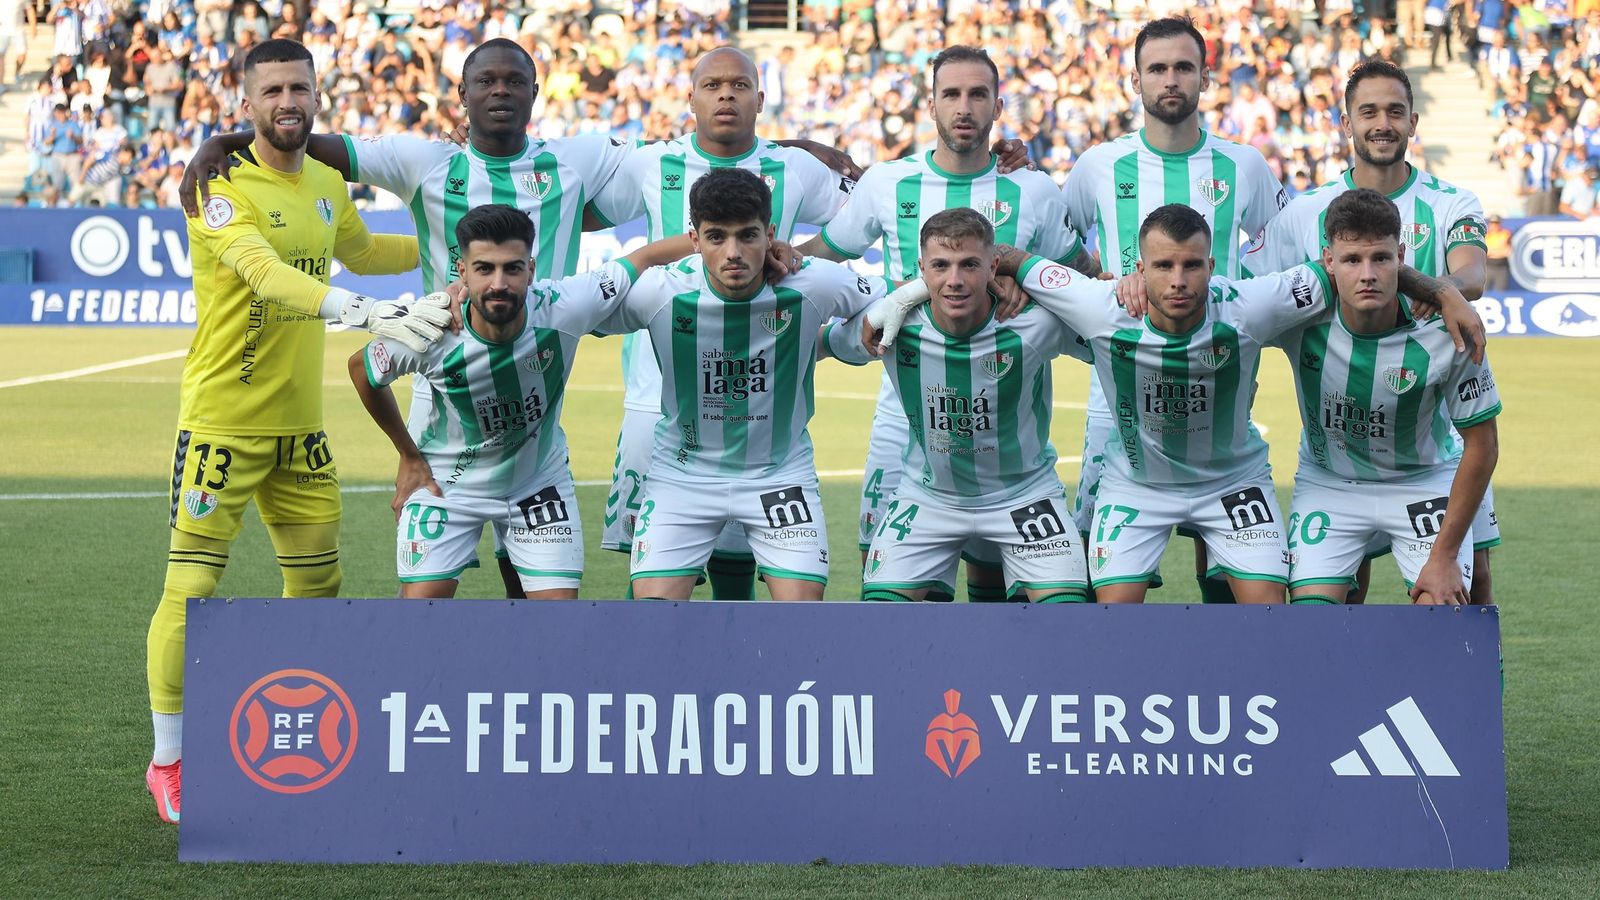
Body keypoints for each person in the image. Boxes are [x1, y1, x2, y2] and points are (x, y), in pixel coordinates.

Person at [878, 203, 1484, 605]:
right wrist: (927, 289)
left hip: (1233, 482)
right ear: (1139, 269)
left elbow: (1356, 268)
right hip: (1136, 485)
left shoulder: (1254, 304)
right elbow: (1006, 257)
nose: (1177, 280)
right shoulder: (1100, 305)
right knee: (1112, 619)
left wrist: (1441, 291)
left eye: (1191, 265)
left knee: (1272, 614)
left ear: (1211, 265)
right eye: (1162, 266)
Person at [144, 38, 450, 826]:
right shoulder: (217, 184)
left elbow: (364, 249)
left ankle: (293, 734)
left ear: (317, 96)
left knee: (318, 585)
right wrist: (364, 311)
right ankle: (169, 761)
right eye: (273, 88)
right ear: (244, 102)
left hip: (300, 434)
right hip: (222, 428)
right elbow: (263, 273)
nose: (289, 101)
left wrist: (465, 253)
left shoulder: (324, 180)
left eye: (300, 88)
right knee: (191, 589)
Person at [797, 45, 1094, 603]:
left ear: (998, 105)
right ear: (930, 106)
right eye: (951, 94)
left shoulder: (1031, 190)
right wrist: (776, 259)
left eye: (977, 94)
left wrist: (1023, 278)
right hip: (904, 416)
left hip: (1005, 413)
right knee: (886, 577)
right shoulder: (887, 183)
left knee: (992, 576)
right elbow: (824, 255)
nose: (964, 107)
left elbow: (1079, 278)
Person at [588, 47, 859, 601]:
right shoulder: (651, 162)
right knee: (659, 559)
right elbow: (574, 209)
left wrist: (796, 255)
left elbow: (871, 210)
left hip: (764, 386)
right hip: (657, 393)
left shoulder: (797, 167)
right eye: (712, 85)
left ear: (761, 98)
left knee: (741, 546)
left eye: (740, 85)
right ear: (690, 98)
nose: (726, 95)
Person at [1250, 59, 1501, 605]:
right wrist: (1435, 291)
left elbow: (1474, 273)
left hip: (1437, 433)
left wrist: (1449, 291)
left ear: (1413, 122)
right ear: (1346, 122)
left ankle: (1474, 688)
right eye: (1368, 111)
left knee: (1472, 579)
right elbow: (1255, 286)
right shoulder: (1306, 212)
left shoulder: (1450, 201)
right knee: (1346, 586)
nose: (1382, 122)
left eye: (1395, 111)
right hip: (1340, 439)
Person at [349, 204, 689, 598]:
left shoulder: (564, 305)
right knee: (420, 619)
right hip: (447, 485)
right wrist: (408, 455)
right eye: (484, 269)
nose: (499, 283)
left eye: (511, 268)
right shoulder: (434, 329)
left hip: (537, 484)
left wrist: (756, 247)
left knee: (555, 628)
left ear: (530, 269)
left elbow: (644, 257)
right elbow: (362, 369)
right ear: (462, 272)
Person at [1062, 16, 1288, 604]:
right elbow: (1058, 251)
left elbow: (1278, 256)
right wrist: (1103, 281)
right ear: (1135, 81)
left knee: (1226, 559)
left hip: (1217, 377)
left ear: (1205, 77)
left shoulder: (1245, 166)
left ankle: (1224, 693)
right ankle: (1101, 690)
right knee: (1095, 556)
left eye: (1183, 67)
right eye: (1157, 69)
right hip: (1118, 390)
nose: (1171, 79)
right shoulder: (1098, 167)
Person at [607, 167, 889, 601]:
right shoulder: (659, 292)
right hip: (683, 477)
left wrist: (837, 340)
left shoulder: (812, 282)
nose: (733, 252)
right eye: (717, 237)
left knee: (800, 621)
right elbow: (565, 309)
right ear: (695, 239)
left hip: (780, 475)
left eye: (748, 236)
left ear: (771, 234)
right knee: (653, 618)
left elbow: (899, 294)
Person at [824, 208, 1093, 603]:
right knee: (881, 625)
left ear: (994, 266)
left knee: (1067, 619)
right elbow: (814, 341)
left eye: (969, 264)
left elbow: (1113, 336)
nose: (954, 281)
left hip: (1024, 495)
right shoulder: (890, 324)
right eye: (940, 266)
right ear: (922, 270)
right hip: (928, 499)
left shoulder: (1036, 323)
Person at [1274, 189, 1500, 605]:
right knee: (1311, 623)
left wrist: (1445, 554)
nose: (1367, 274)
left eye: (1380, 258)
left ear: (1401, 256)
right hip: (1330, 483)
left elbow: (1483, 445)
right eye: (1351, 260)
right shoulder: (1298, 317)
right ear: (1328, 261)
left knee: (1441, 609)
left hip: (1421, 481)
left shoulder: (1447, 334)